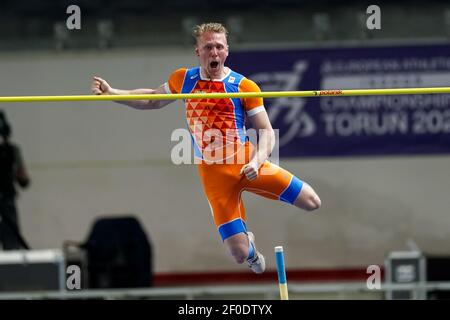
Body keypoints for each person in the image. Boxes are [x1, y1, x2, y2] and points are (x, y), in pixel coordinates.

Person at [91, 22, 321, 274]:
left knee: (311, 201)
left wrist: (256, 162)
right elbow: (152, 100)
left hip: (247, 164)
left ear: (227, 51)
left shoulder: (244, 86)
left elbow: (266, 131)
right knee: (239, 254)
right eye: (208, 47)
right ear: (197, 52)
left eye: (219, 47)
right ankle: (251, 248)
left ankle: (254, 212)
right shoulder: (184, 79)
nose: (214, 52)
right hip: (214, 175)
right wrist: (112, 92)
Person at [0, 110, 31, 250]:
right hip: (7, 200)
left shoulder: (12, 151)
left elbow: (24, 181)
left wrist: (18, 174)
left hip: (6, 200)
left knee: (11, 244)